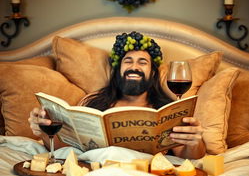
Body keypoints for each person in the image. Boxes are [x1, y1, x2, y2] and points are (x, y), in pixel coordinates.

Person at [28, 31, 205, 159]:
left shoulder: (167, 109)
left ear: (152, 73)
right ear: (118, 70)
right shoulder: (93, 102)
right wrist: (44, 130)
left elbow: (188, 156)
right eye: (128, 61)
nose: (134, 67)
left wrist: (195, 142)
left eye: (142, 62)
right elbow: (66, 149)